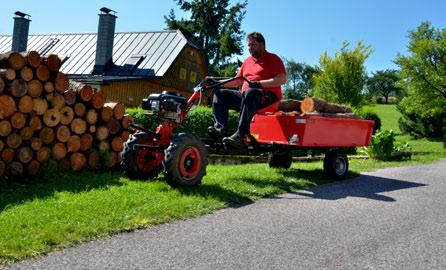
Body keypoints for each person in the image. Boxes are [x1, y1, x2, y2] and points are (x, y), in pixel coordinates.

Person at [207, 32, 287, 147]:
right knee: (220, 94)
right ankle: (220, 130)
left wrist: (259, 84)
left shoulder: (273, 59)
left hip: (269, 97)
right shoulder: (247, 61)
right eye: (249, 45)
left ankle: (241, 135)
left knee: (250, 92)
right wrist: (217, 83)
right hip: (247, 96)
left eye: (253, 45)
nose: (250, 48)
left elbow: (281, 79)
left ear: (262, 44)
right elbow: (237, 81)